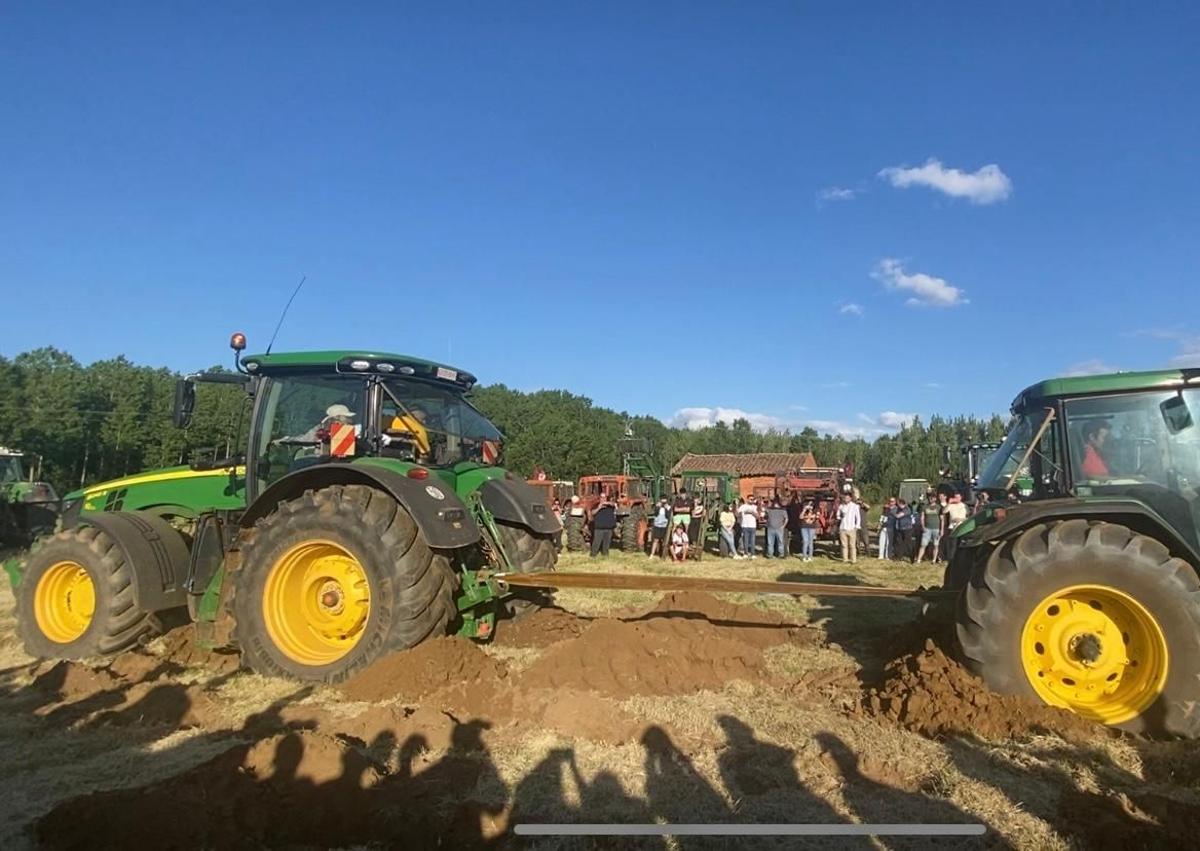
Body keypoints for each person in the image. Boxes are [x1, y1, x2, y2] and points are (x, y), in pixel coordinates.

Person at [943, 490, 969, 565]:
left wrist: (960, 519)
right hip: (953, 527)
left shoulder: (964, 506)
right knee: (952, 545)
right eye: (955, 497)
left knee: (961, 544)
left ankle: (961, 560)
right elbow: (944, 511)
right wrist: (949, 503)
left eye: (958, 497)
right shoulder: (951, 505)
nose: (956, 498)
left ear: (961, 498)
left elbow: (968, 517)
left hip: (962, 527)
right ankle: (951, 560)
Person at [916, 496, 943, 564]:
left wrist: (942, 529)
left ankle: (933, 560)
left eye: (932, 497)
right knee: (923, 544)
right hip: (927, 529)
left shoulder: (939, 507)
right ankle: (918, 560)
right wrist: (923, 526)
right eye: (930, 498)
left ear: (935, 498)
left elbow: (942, 519)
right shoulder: (925, 507)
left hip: (936, 528)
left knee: (935, 545)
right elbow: (922, 517)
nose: (931, 499)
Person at [589, 492, 618, 558]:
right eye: (602, 497)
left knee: (607, 543)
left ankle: (605, 554)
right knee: (597, 542)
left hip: (608, 528)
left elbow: (615, 505)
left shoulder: (610, 506)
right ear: (599, 498)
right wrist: (599, 507)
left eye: (604, 497)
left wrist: (608, 503)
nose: (603, 499)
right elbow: (592, 513)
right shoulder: (596, 505)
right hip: (599, 528)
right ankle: (593, 555)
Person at [836, 492, 861, 564]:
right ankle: (845, 559)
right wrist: (840, 517)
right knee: (844, 545)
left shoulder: (855, 506)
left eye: (847, 498)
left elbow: (858, 517)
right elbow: (837, 515)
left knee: (852, 545)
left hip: (851, 528)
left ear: (850, 498)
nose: (846, 499)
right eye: (845, 498)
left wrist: (857, 526)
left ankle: (853, 560)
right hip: (843, 528)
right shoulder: (841, 506)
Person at [892, 499, 914, 563]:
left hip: (907, 529)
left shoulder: (907, 509)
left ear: (901, 503)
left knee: (908, 544)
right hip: (900, 529)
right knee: (899, 543)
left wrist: (892, 513)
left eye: (898, 503)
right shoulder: (899, 509)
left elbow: (898, 516)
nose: (897, 505)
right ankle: (899, 557)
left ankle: (912, 557)